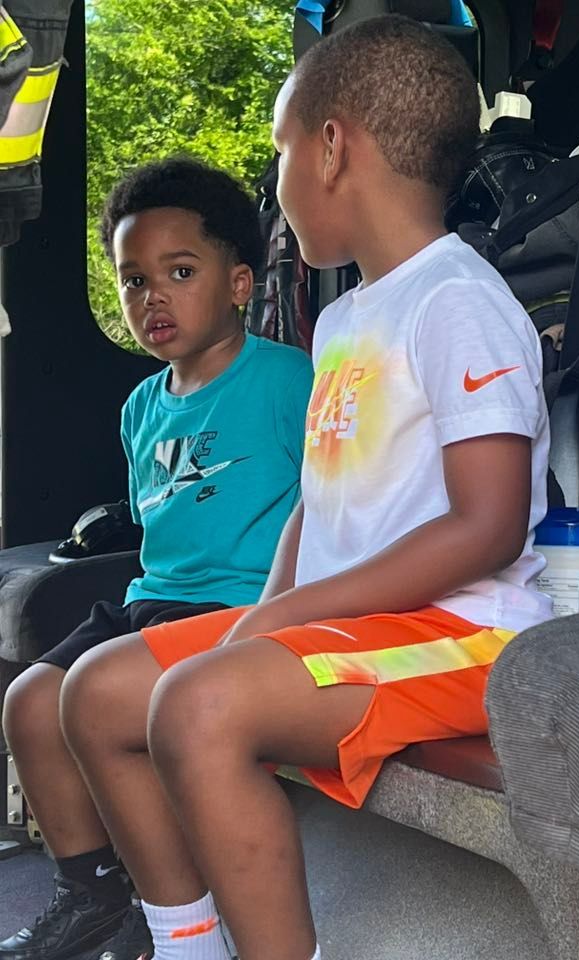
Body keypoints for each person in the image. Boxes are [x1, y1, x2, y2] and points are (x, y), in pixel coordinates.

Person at [59, 16, 553, 960]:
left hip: (467, 636)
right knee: (97, 692)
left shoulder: (458, 301)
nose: (277, 188)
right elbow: (317, 503)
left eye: (281, 152)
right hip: (346, 622)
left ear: (331, 149)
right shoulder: (346, 318)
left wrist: (291, 617)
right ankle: (189, 943)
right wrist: (275, 605)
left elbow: (487, 527)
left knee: (200, 705)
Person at [0, 157, 312, 960]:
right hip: (153, 600)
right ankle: (95, 895)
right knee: (30, 704)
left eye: (180, 271)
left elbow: (330, 501)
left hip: (242, 606)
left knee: (94, 699)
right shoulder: (142, 405)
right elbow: (154, 527)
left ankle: (179, 911)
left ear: (240, 283)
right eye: (133, 280)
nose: (153, 298)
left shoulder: (286, 381)